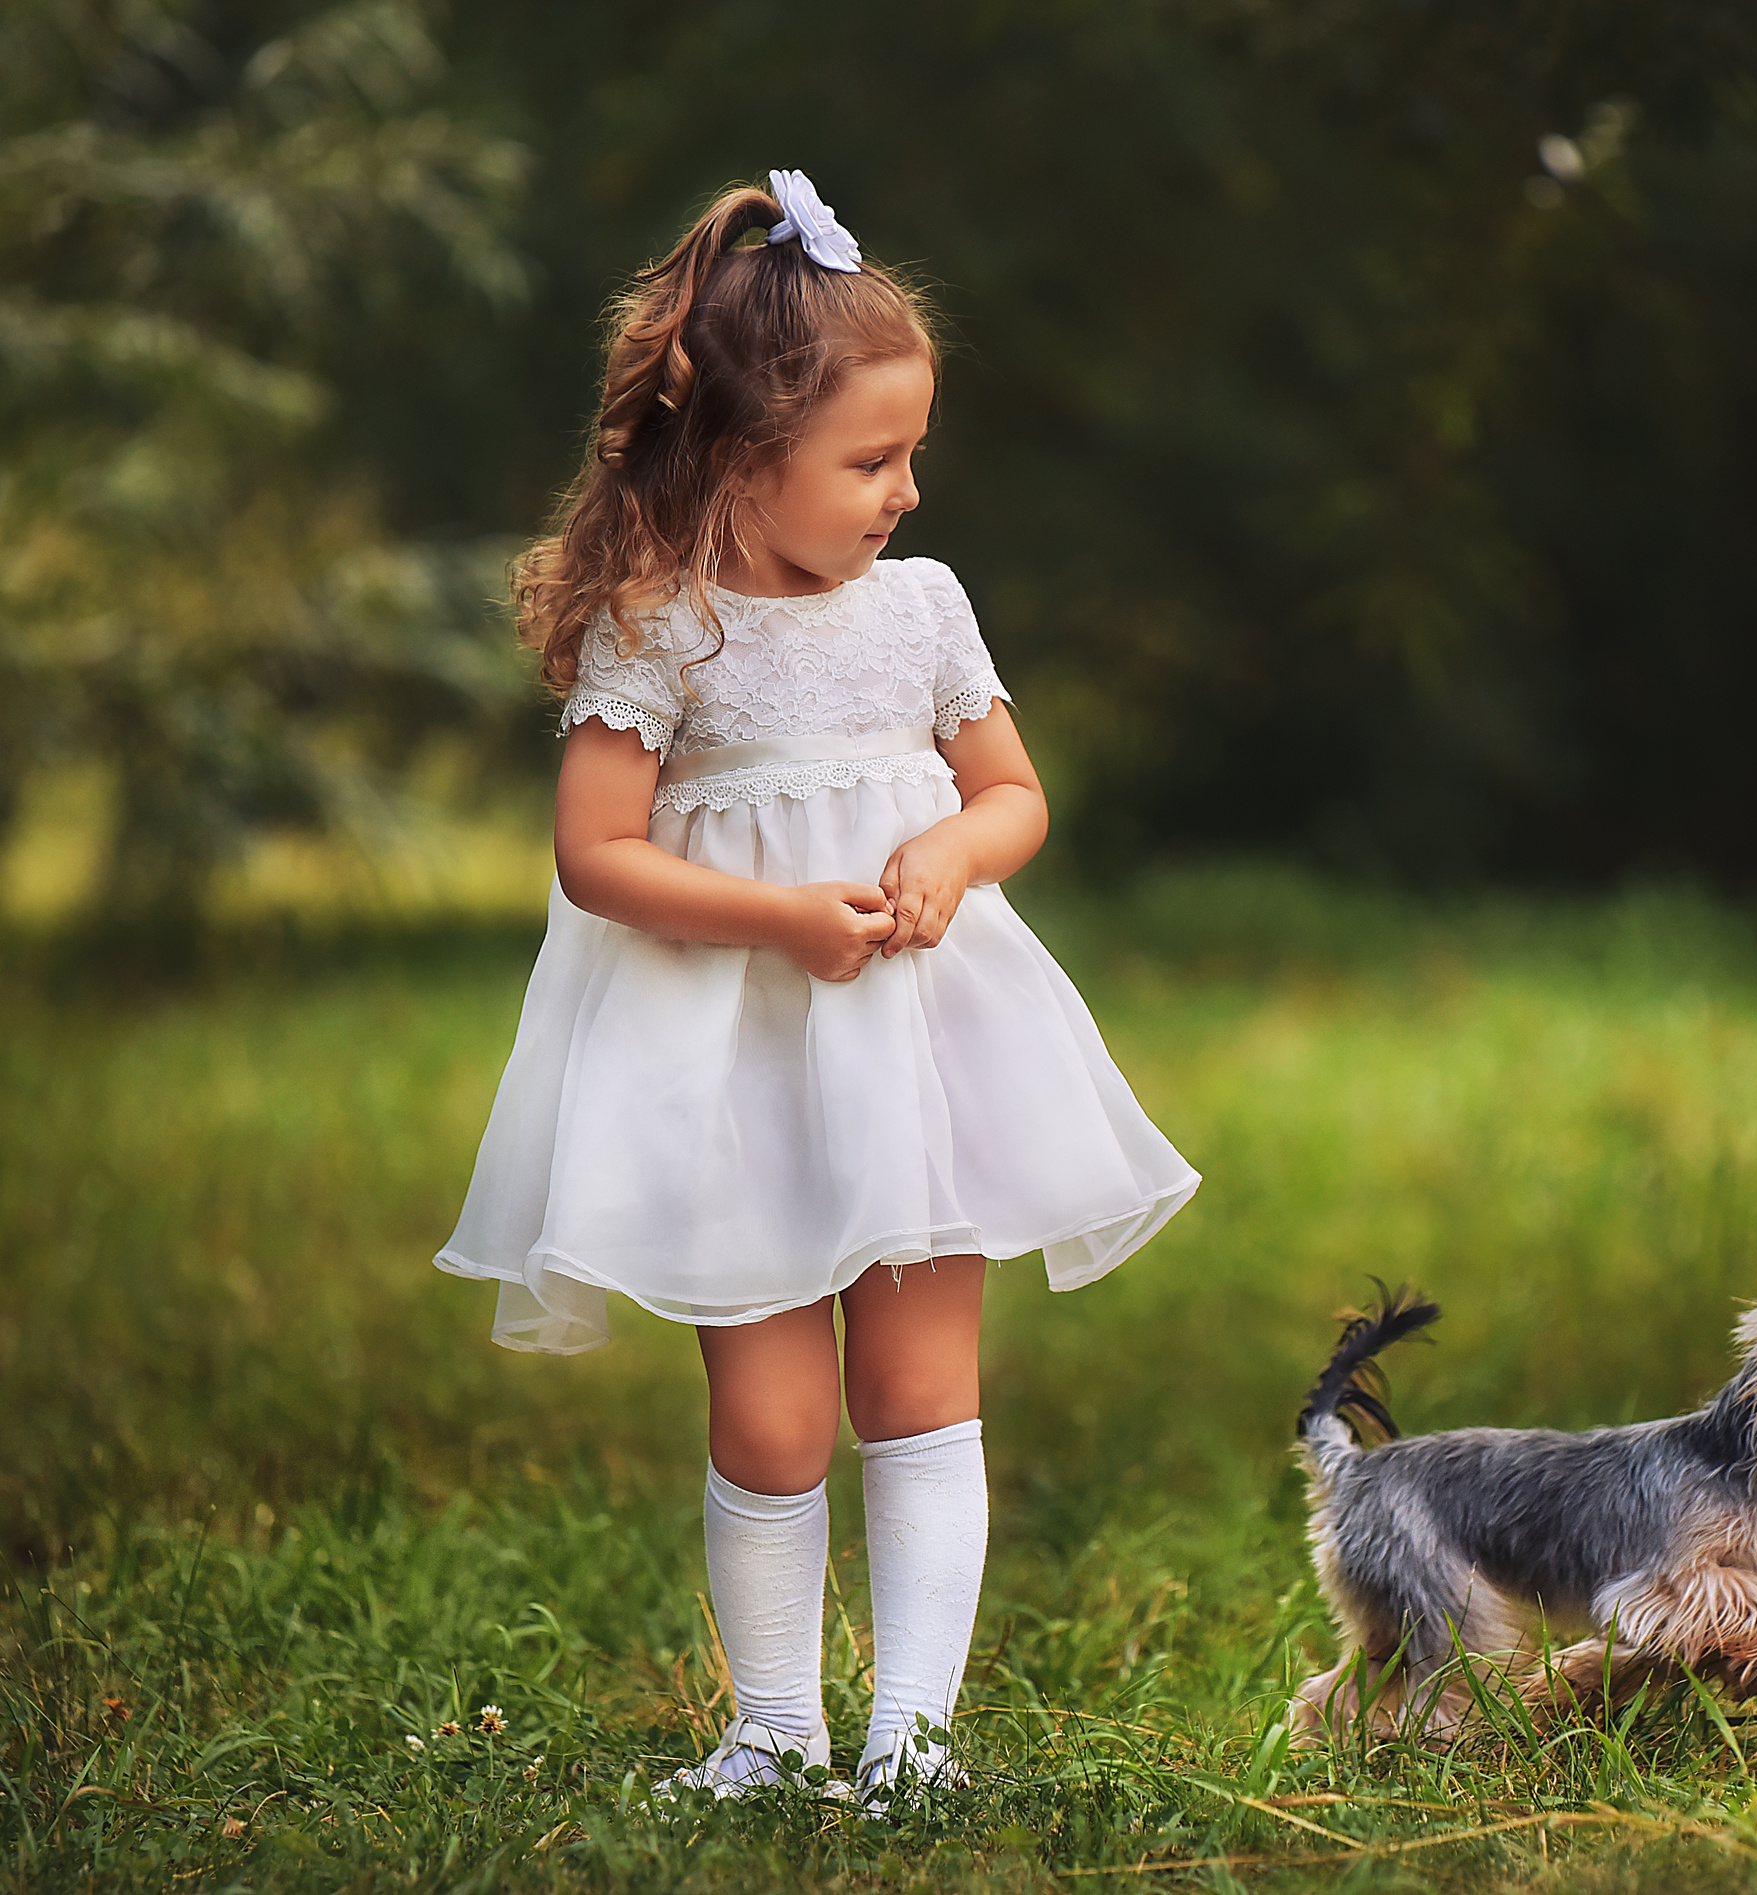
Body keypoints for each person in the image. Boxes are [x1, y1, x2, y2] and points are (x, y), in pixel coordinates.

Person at [435, 169, 1198, 1802]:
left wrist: (953, 854)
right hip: (735, 1063)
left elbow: (1014, 795)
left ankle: (914, 1740)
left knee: (921, 1396)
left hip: (913, 1048)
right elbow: (595, 854)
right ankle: (775, 1731)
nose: (906, 492)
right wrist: (777, 918)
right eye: (870, 461)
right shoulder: (660, 628)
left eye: (913, 453)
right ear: (737, 456)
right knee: (774, 1421)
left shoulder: (921, 611)